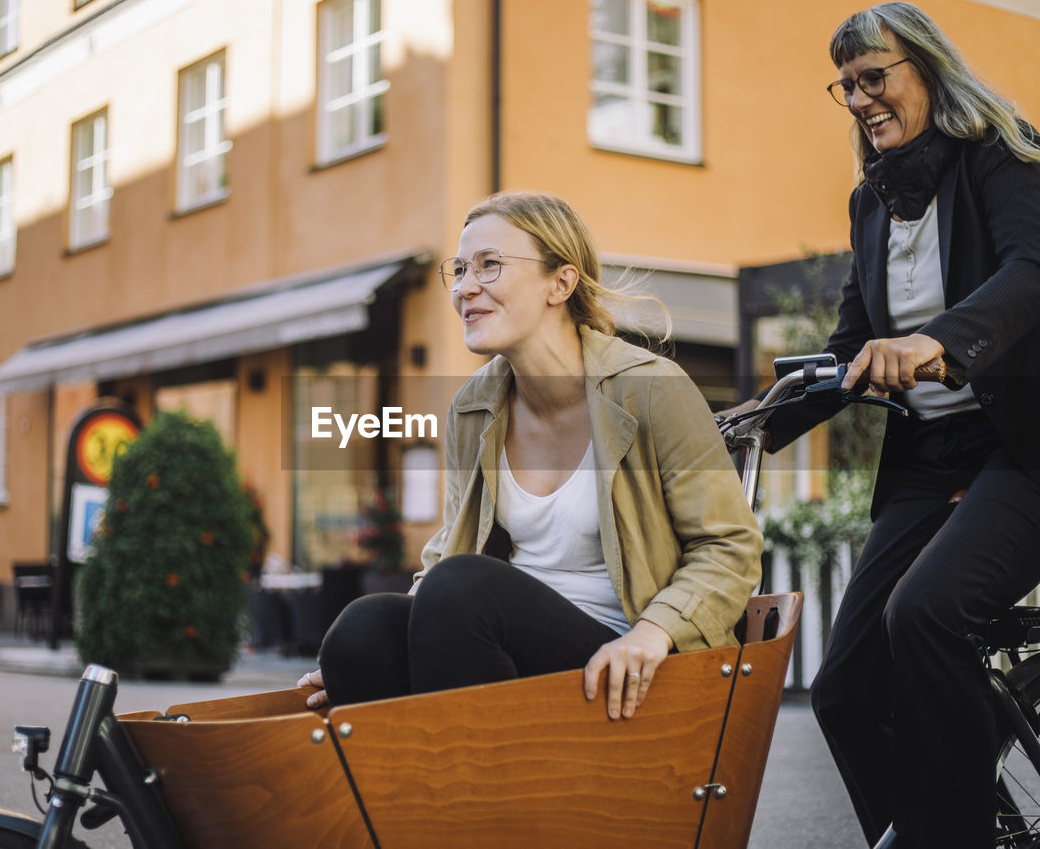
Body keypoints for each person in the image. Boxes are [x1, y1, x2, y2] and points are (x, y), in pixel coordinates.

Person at [724, 3, 1040, 847]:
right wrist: (742, 423)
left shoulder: (1005, 153)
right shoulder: (872, 204)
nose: (862, 99)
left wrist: (940, 339)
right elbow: (849, 350)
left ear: (929, 69)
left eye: (877, 76)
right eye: (849, 86)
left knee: (927, 613)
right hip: (937, 457)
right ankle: (921, 830)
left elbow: (1032, 274)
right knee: (845, 683)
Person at [298, 191, 762, 723]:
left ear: (560, 283)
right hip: (511, 645)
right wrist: (385, 652)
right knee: (362, 630)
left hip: (628, 655)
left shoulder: (650, 389)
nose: (465, 287)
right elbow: (452, 548)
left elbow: (731, 546)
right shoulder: (473, 406)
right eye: (461, 269)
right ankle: (413, 796)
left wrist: (655, 633)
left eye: (490, 265)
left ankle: (468, 792)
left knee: (461, 589)